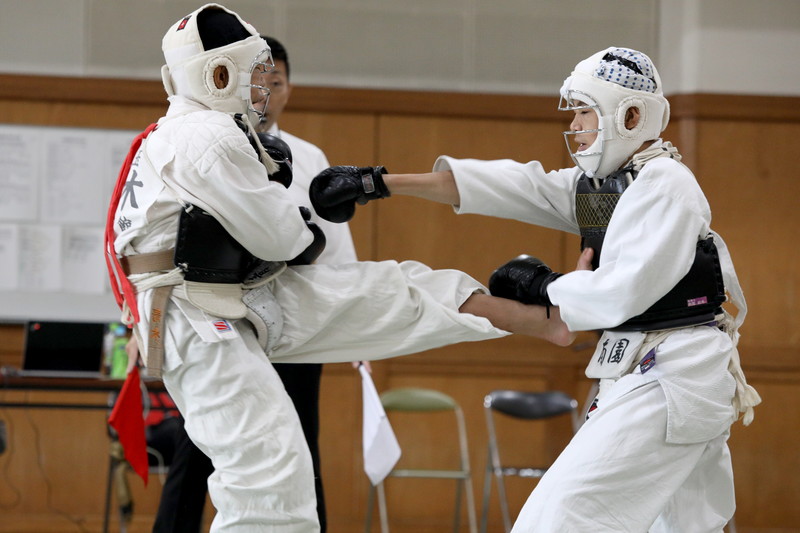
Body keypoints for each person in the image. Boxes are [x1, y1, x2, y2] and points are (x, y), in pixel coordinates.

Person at [104, 4, 573, 532]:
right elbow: (286, 237)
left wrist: (285, 199)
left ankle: (536, 320)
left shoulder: (175, 135)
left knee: (393, 289)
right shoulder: (207, 137)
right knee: (270, 476)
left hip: (236, 293)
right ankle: (536, 319)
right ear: (218, 75)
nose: (263, 89)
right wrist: (294, 205)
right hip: (199, 316)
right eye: (253, 75)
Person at [309, 47, 761, 531]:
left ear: (630, 116)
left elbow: (620, 292)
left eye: (587, 111)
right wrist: (381, 183)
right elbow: (517, 186)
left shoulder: (666, 186)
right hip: (650, 367)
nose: (576, 126)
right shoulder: (605, 186)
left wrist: (546, 287)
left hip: (676, 371)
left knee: (559, 517)